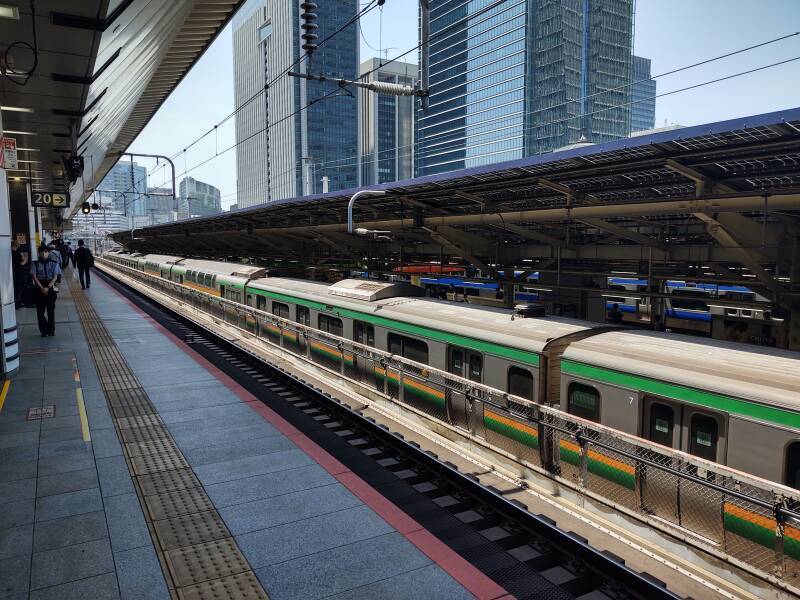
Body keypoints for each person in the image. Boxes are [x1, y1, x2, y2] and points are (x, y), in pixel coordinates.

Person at [30, 244, 62, 336]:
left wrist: (47, 287)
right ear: (38, 253)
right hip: (39, 287)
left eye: (46, 252)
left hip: (50, 287)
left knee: (51, 310)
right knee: (40, 312)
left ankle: (51, 330)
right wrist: (41, 288)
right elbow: (34, 277)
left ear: (48, 253)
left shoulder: (54, 262)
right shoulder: (34, 263)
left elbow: (55, 276)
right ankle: (43, 330)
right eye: (41, 252)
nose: (44, 254)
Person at [11, 241, 27, 309]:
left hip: (12, 273)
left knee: (14, 289)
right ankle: (17, 303)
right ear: (16, 245)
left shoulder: (9, 253)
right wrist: (25, 260)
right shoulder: (17, 253)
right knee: (18, 289)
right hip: (19, 274)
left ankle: (14, 303)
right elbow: (21, 263)